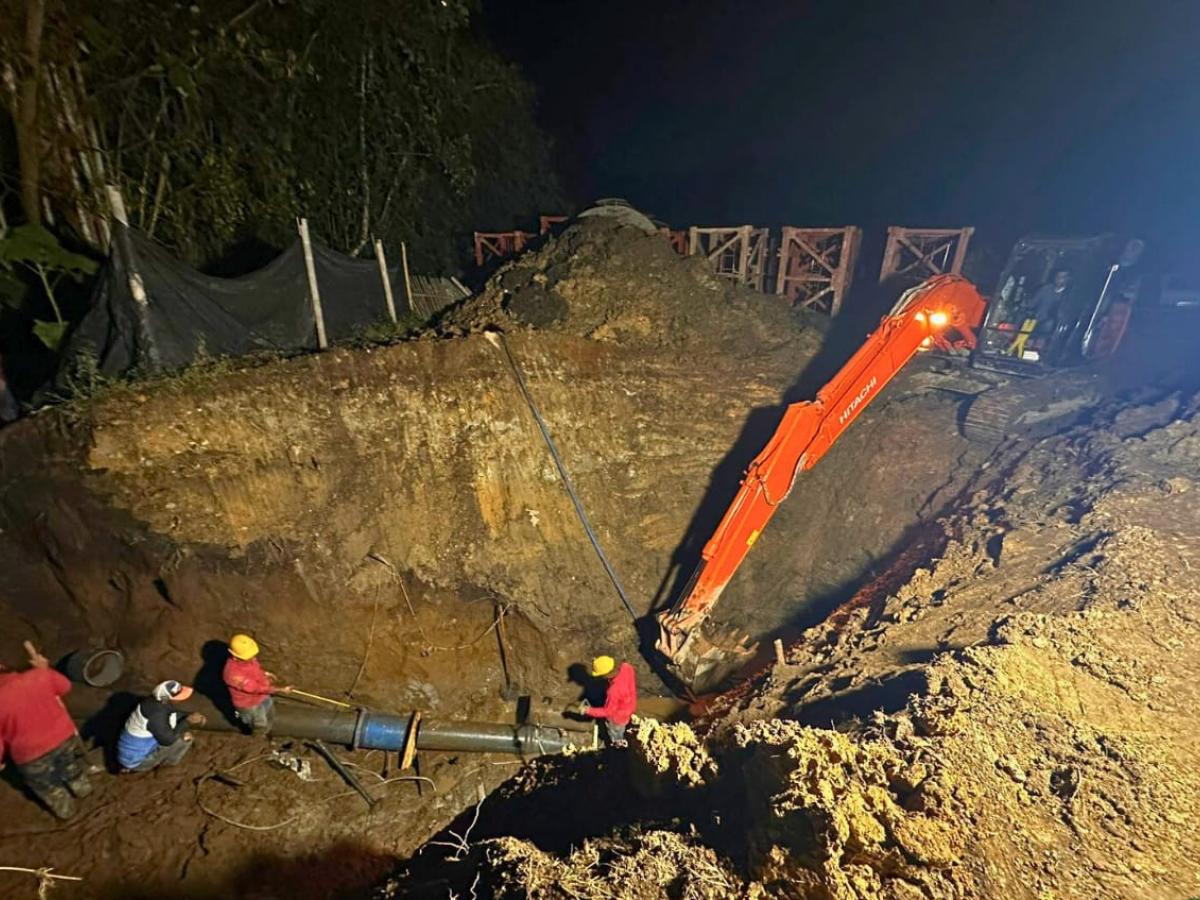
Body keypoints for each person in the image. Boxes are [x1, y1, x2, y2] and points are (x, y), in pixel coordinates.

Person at [0, 641, 93, 819]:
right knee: (69, 765)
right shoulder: (37, 676)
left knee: (48, 785)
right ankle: (83, 788)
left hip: (31, 755)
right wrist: (45, 669)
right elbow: (65, 687)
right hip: (64, 737)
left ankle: (67, 811)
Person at [117, 680, 206, 773]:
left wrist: (188, 715)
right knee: (185, 739)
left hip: (130, 753)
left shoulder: (154, 702)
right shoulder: (156, 716)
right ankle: (167, 767)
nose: (182, 699)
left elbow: (171, 713)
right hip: (138, 762)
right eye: (179, 697)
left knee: (176, 729)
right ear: (169, 699)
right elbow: (168, 740)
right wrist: (187, 722)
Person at [222, 634, 291, 733]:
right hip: (249, 704)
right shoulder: (233, 674)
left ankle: (269, 730)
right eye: (248, 657)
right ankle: (259, 737)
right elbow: (255, 688)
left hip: (263, 696)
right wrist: (280, 689)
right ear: (233, 654)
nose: (252, 658)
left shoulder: (248, 657)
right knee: (259, 724)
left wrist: (265, 674)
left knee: (269, 713)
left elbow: (255, 669)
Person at [580, 655, 637, 745]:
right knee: (625, 725)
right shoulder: (626, 667)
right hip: (630, 705)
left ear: (606, 674)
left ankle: (617, 744)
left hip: (618, 718)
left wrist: (588, 710)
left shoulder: (613, 691)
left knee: (615, 732)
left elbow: (608, 712)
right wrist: (598, 664)